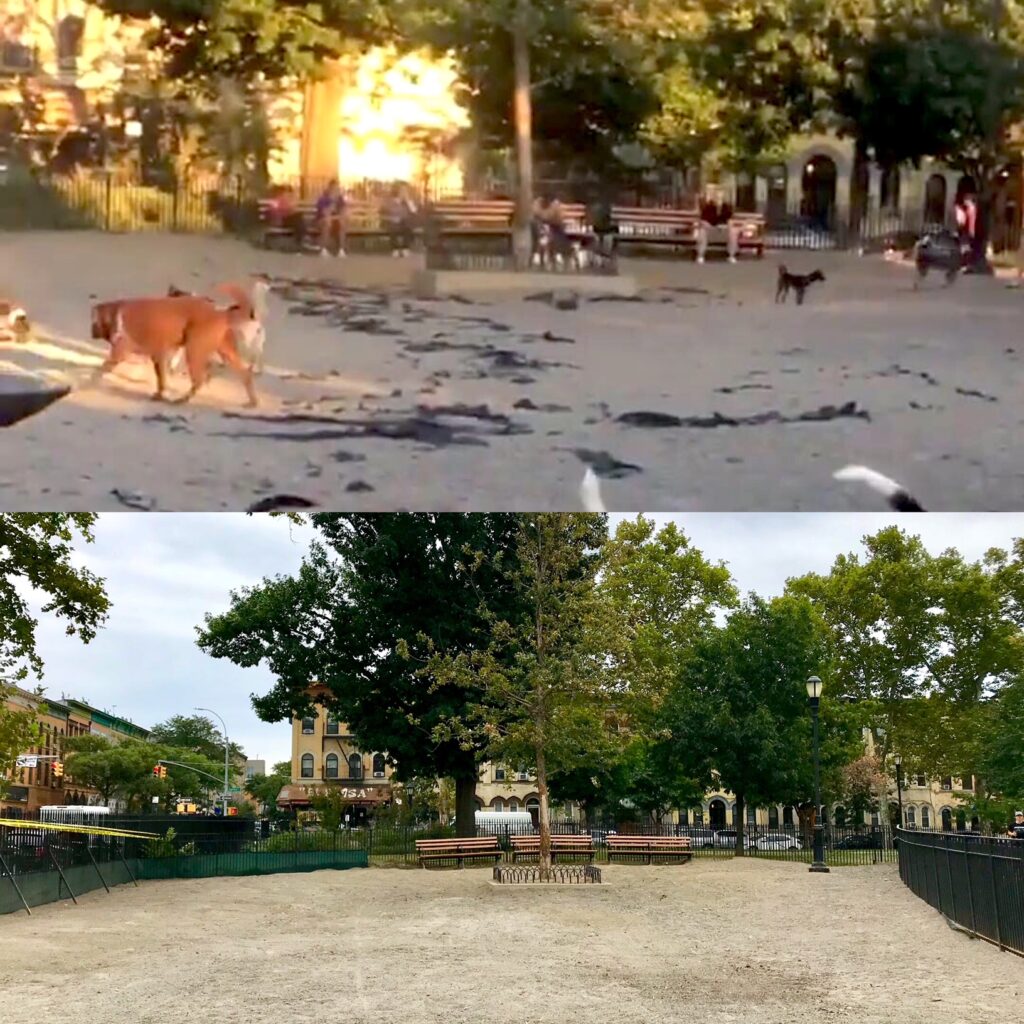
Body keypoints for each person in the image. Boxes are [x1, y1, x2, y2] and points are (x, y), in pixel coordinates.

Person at [696, 188, 740, 264]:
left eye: (720, 198)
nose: (718, 199)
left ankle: (731, 256)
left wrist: (727, 226)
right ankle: (700, 256)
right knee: (702, 232)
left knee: (733, 232)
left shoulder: (726, 207)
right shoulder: (708, 207)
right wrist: (708, 225)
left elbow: (730, 220)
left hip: (723, 231)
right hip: (710, 231)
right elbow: (703, 221)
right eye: (717, 197)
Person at [381, 183, 417, 257]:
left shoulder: (408, 201)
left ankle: (405, 248)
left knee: (408, 226)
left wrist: (408, 201)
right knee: (393, 227)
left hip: (404, 222)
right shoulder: (391, 201)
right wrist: (392, 218)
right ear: (398, 192)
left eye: (405, 191)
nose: (404, 193)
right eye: (402, 191)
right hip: (392, 221)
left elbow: (414, 211)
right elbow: (385, 212)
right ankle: (395, 249)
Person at [315, 179, 347, 258]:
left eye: (337, 189)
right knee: (327, 223)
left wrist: (339, 217)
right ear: (329, 188)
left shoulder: (340, 199)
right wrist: (332, 203)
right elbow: (324, 214)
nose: (336, 191)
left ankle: (341, 250)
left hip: (335, 220)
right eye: (334, 189)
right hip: (321, 220)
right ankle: (323, 249)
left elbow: (343, 212)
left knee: (342, 224)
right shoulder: (323, 199)